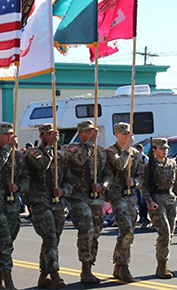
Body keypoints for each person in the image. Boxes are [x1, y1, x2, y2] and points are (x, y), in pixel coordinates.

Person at [63, 120, 112, 284]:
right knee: (86, 229)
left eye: (92, 131)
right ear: (81, 133)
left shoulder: (101, 152)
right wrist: (90, 142)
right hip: (79, 195)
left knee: (96, 232)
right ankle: (85, 268)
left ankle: (90, 263)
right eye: (87, 131)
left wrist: (103, 185)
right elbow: (79, 159)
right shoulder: (72, 148)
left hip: (96, 197)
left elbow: (108, 174)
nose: (91, 133)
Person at [0, 122, 29, 290]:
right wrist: (9, 148)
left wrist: (18, 187)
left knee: (6, 246)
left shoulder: (19, 156)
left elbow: (26, 178)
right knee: (6, 242)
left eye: (11, 134)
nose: (9, 137)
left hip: (13, 207)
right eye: (5, 134)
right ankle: (8, 282)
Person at [25, 124, 72, 289]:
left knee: (53, 239)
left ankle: (43, 274)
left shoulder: (61, 158)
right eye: (48, 134)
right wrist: (50, 147)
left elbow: (68, 180)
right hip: (39, 201)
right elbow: (42, 165)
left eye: (54, 134)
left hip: (57, 203)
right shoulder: (33, 153)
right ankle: (54, 274)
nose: (53, 136)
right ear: (42, 136)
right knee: (50, 236)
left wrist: (63, 191)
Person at [140, 138, 177, 279]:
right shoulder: (149, 166)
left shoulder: (172, 164)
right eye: (162, 148)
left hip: (170, 200)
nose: (165, 150)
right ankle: (162, 266)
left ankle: (161, 265)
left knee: (169, 235)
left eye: (166, 148)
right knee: (165, 233)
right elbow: (144, 186)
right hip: (157, 200)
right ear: (154, 150)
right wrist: (149, 201)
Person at [105, 122, 143, 283]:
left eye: (128, 133)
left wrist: (134, 182)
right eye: (123, 133)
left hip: (130, 197)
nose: (126, 136)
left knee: (127, 232)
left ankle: (118, 265)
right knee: (127, 229)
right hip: (117, 195)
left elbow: (142, 175)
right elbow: (119, 165)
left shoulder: (136, 153)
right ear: (116, 134)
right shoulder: (111, 151)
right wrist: (127, 148)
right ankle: (124, 265)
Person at [134, 143, 151, 227]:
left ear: (140, 150)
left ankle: (146, 218)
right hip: (137, 183)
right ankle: (141, 217)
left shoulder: (145, 158)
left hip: (143, 183)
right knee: (139, 202)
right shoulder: (134, 159)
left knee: (144, 201)